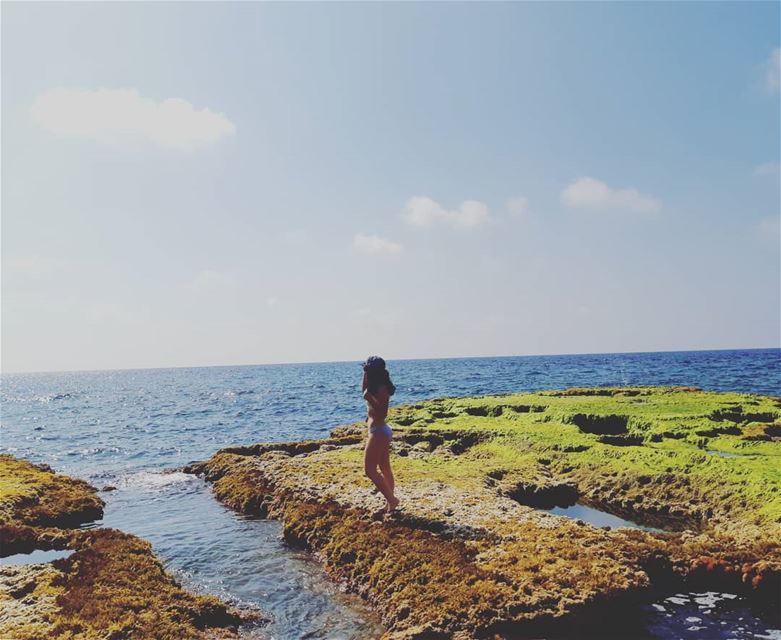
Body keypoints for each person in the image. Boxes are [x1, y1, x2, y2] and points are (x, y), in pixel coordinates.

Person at [361, 356, 400, 514]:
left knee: (369, 470)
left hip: (379, 432)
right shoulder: (374, 386)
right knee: (384, 467)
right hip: (378, 431)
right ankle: (389, 504)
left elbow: (383, 413)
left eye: (368, 371)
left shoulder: (382, 388)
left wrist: (369, 397)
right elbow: (363, 389)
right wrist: (365, 372)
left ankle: (392, 500)